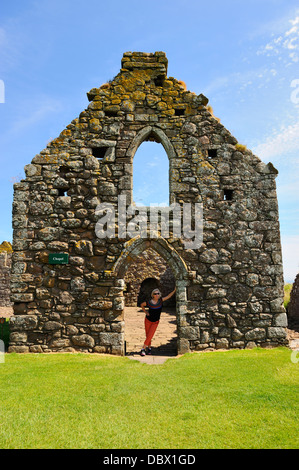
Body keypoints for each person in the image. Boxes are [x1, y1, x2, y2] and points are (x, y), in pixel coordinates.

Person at [140, 287, 176, 356]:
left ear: (160, 294)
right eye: (155, 294)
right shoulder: (149, 302)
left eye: (158, 293)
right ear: (152, 295)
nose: (157, 295)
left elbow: (168, 296)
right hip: (148, 320)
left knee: (150, 335)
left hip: (155, 322)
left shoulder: (161, 301)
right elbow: (142, 305)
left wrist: (174, 290)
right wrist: (146, 312)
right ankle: (149, 348)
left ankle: (143, 349)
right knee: (148, 335)